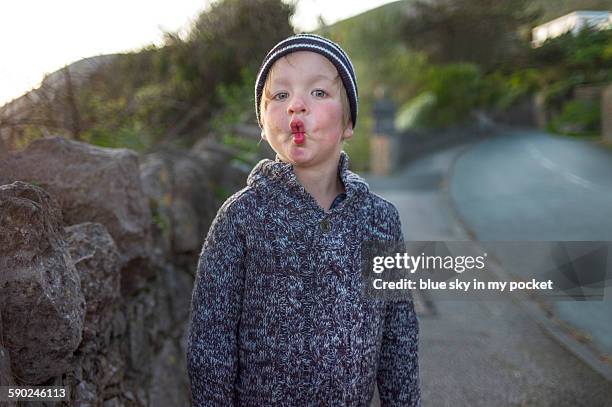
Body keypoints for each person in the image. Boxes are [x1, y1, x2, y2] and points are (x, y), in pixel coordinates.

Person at [186, 33, 420, 406]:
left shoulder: (380, 220)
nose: (296, 105)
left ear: (348, 123)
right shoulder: (242, 218)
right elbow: (210, 345)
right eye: (280, 96)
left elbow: (398, 336)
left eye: (318, 93)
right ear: (263, 125)